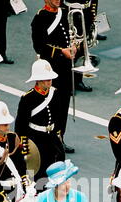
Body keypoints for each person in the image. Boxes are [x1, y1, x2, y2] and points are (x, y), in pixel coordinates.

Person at [31, 0, 76, 154]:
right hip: (50, 68)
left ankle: (59, 138)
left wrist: (73, 46)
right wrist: (60, 51)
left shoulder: (63, 13)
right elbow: (39, 45)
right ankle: (48, 139)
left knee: (63, 104)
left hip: (65, 68)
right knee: (51, 104)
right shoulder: (40, 17)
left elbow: (68, 35)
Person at [15, 57, 65, 191]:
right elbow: (20, 125)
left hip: (52, 137)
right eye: (46, 78)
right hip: (36, 139)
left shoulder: (55, 93)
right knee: (39, 175)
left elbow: (58, 117)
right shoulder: (28, 98)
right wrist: (25, 147)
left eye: (50, 78)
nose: (50, 81)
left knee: (57, 169)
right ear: (38, 79)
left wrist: (58, 135)